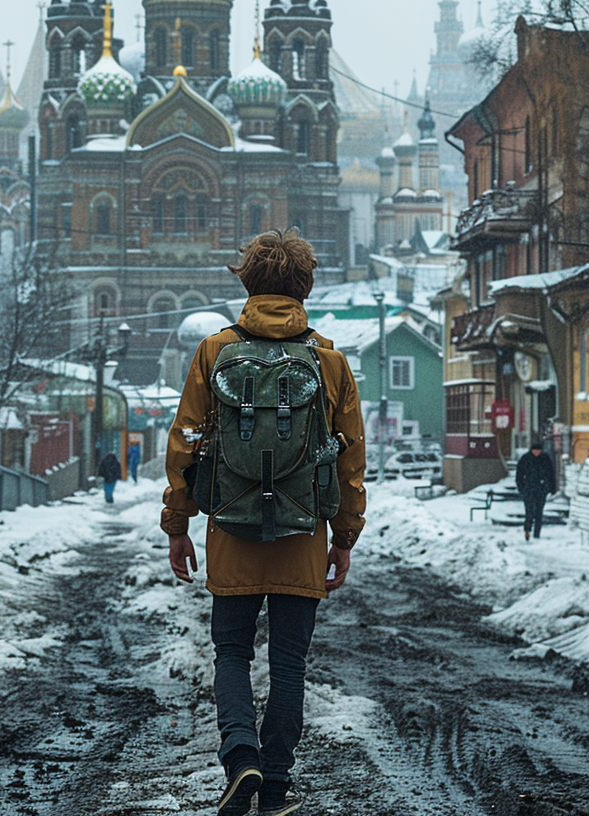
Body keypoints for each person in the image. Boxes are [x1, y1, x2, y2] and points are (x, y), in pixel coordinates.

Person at [162, 228, 366, 816]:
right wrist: (344, 537)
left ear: (247, 280)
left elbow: (187, 443)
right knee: (288, 663)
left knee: (231, 652)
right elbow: (350, 459)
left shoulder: (214, 351)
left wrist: (178, 524)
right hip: (303, 533)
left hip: (231, 528)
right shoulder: (327, 360)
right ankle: (274, 788)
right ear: (305, 286)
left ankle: (241, 755)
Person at [515, 435, 556, 540]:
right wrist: (522, 488)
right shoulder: (526, 459)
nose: (537, 452)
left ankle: (537, 533)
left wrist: (550, 488)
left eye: (538, 450)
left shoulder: (545, 459)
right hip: (528, 490)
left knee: (539, 512)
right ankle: (527, 531)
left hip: (541, 490)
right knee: (529, 512)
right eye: (535, 450)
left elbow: (550, 474)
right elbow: (519, 475)